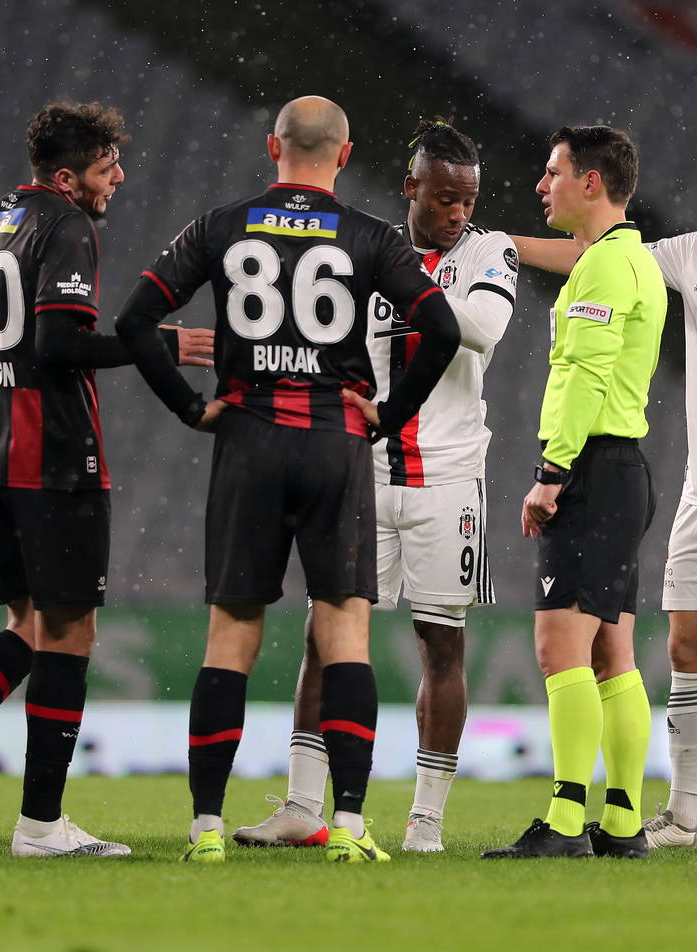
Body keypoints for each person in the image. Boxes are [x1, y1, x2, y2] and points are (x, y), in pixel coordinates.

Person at [115, 96, 460, 865]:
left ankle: (206, 827)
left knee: (231, 635)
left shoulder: (220, 225)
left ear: (274, 146)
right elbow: (440, 329)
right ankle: (348, 824)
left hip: (248, 437)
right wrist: (387, 411)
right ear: (343, 155)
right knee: (344, 632)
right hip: (334, 444)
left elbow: (136, 322)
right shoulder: (370, 236)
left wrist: (191, 408)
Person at [0, 101, 214, 858]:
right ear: (67, 178)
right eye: (106, 168)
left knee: (29, 624)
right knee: (70, 631)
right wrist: (155, 342)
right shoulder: (68, 225)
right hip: (53, 456)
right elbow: (58, 341)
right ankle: (40, 825)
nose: (119, 179)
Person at [513, 135, 697, 852]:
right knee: (683, 647)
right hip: (695, 494)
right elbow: (598, 257)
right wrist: (502, 246)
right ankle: (680, 815)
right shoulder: (688, 255)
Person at [231, 120, 516, 854]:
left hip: (448, 480)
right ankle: (301, 805)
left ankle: (425, 818)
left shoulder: (489, 250)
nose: (458, 214)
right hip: (362, 470)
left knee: (440, 645)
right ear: (410, 187)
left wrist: (396, 281)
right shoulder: (368, 248)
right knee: (323, 639)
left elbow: (481, 326)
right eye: (445, 199)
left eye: (468, 200)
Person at [481, 126, 664, 860]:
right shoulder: (628, 259)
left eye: (552, 173)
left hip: (590, 469)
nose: (541, 184)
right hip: (623, 469)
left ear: (591, 183)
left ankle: (563, 822)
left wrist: (551, 475)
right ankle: (622, 823)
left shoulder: (604, 270)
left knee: (561, 648)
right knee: (613, 651)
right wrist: (512, 244)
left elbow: (584, 376)